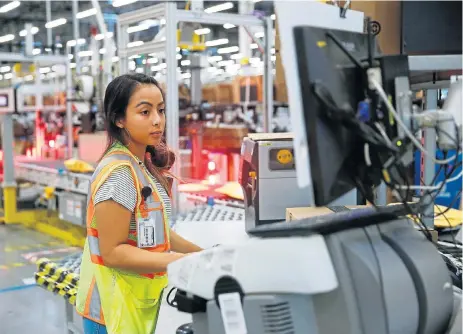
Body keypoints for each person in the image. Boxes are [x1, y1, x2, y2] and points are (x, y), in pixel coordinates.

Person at [76, 74, 203, 334]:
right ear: (119, 119)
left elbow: (158, 233)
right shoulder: (118, 173)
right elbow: (113, 252)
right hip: (112, 311)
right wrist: (180, 261)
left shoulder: (138, 165)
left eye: (160, 110)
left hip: (134, 300)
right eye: (144, 112)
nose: (157, 120)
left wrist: (202, 255)